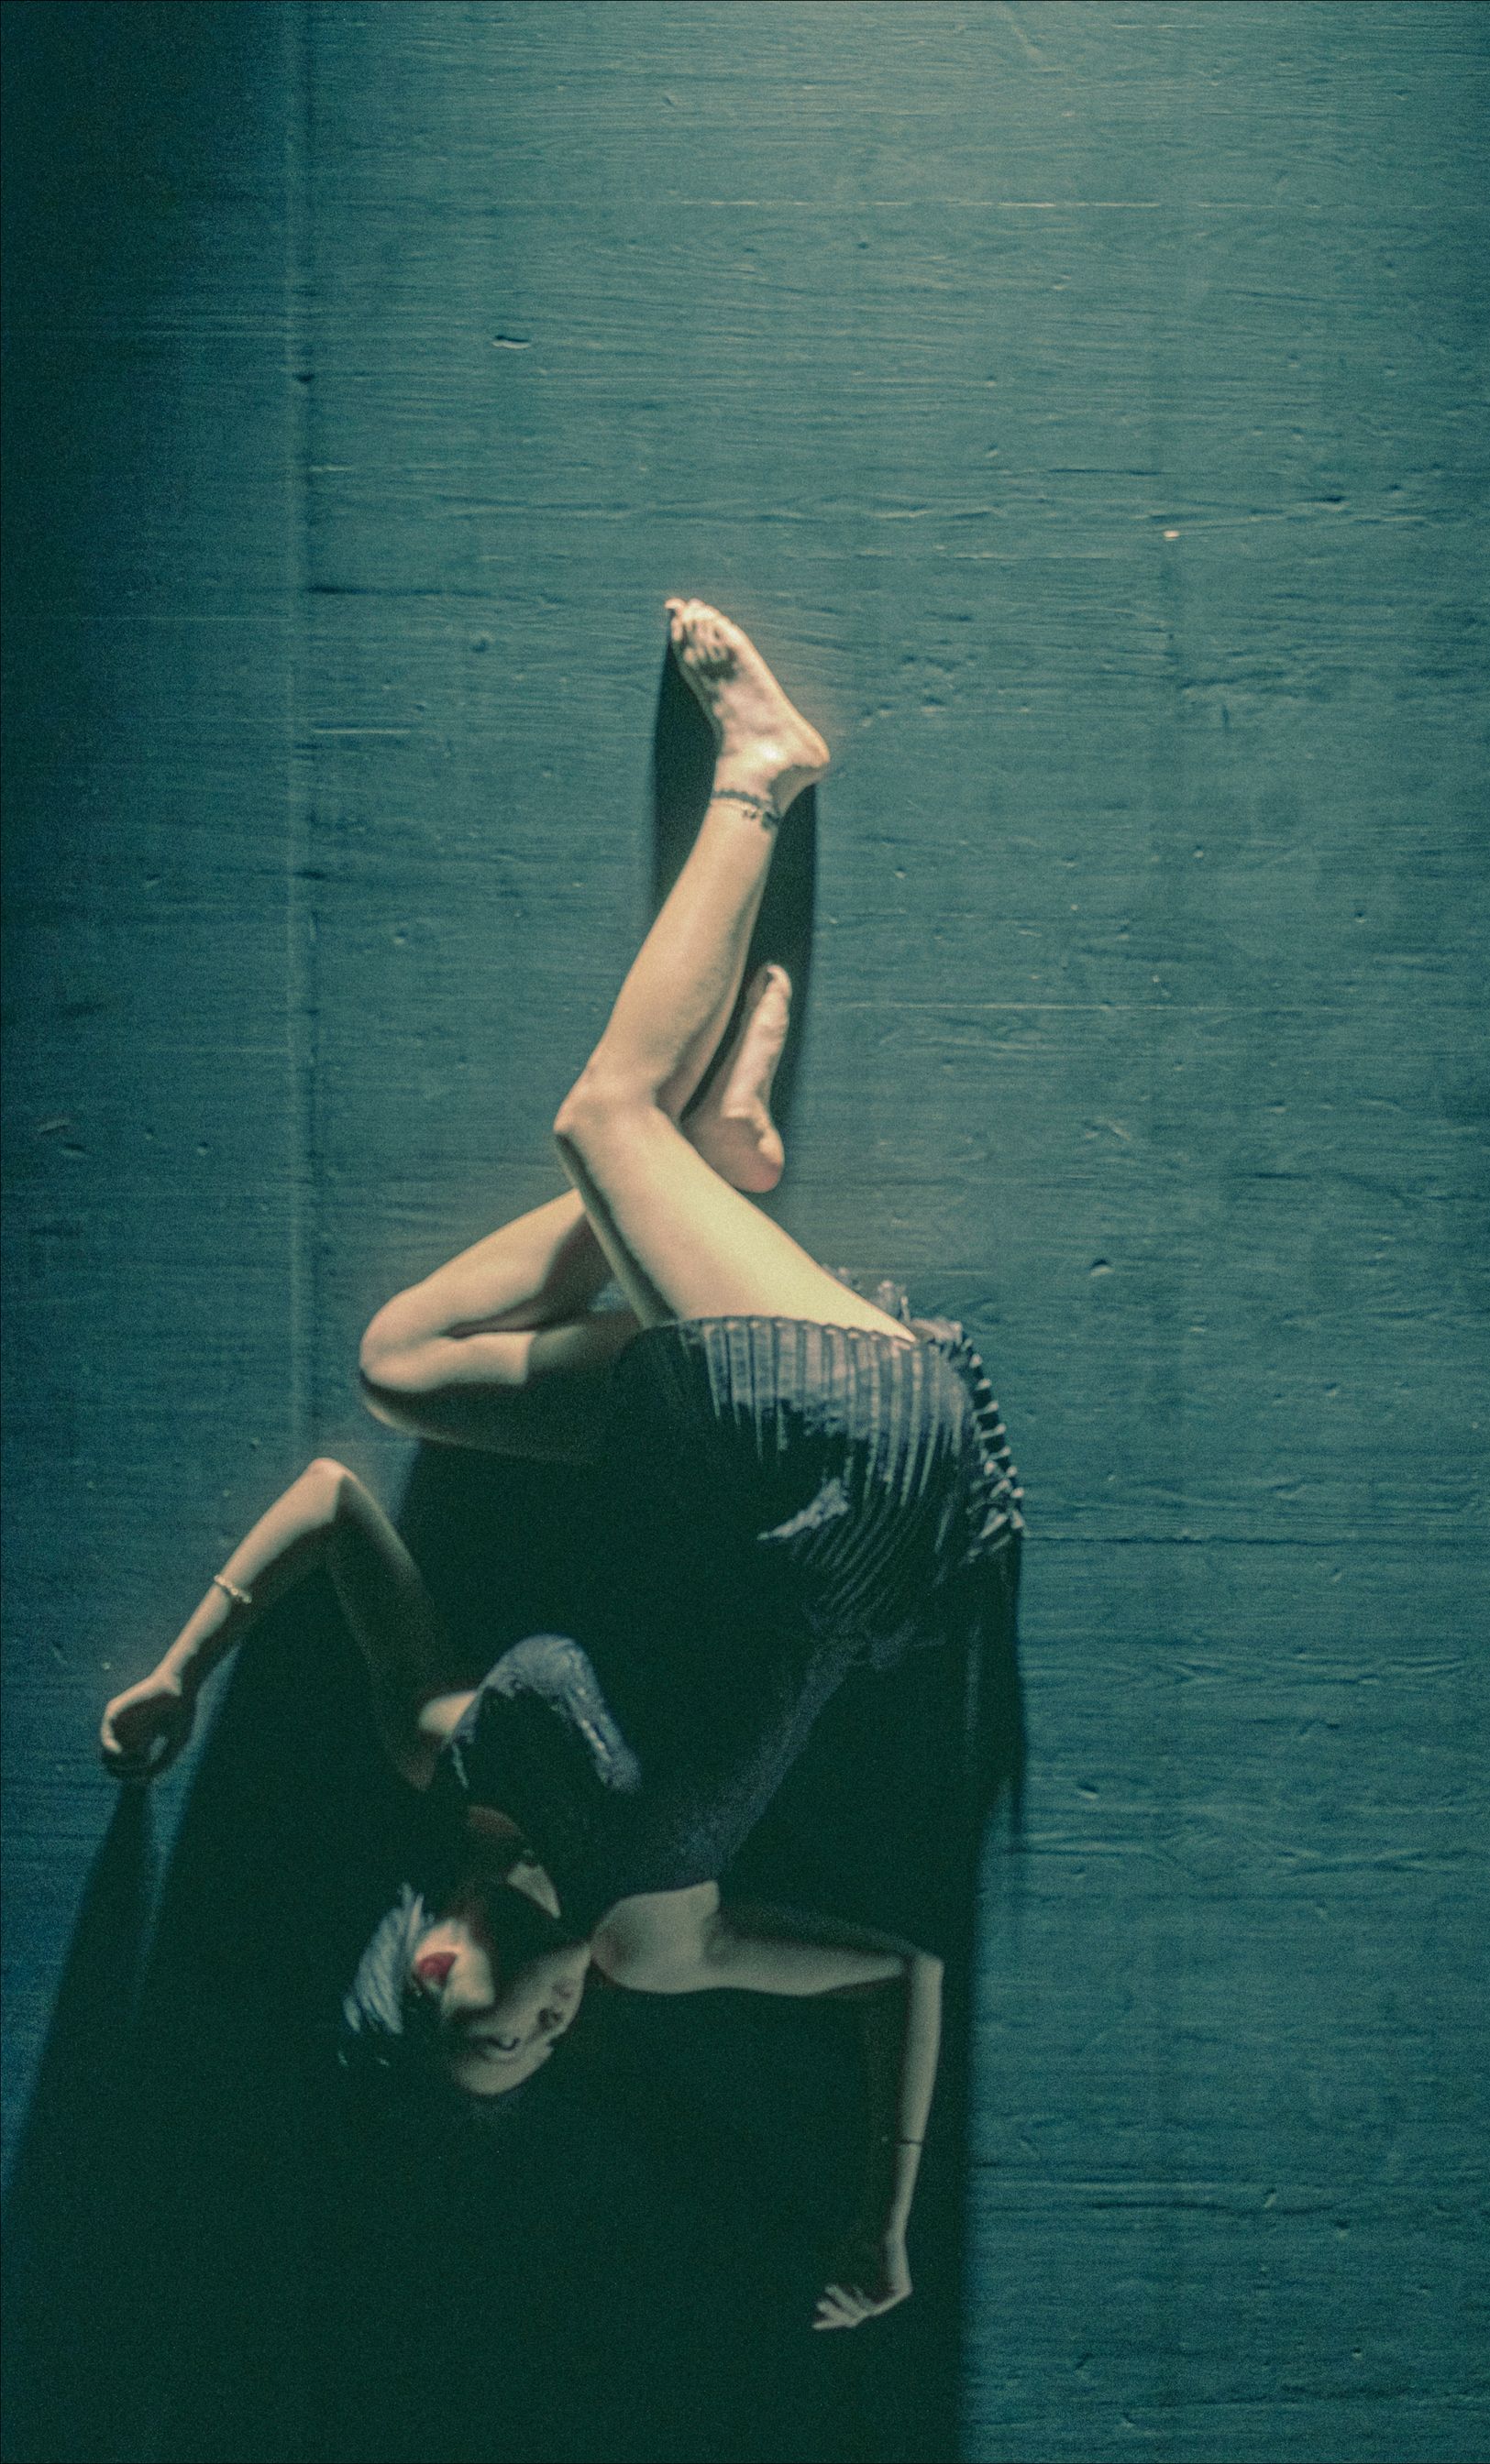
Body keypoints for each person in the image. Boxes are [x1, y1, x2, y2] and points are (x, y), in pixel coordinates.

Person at [98, 599, 1025, 2332]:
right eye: (534, 2051)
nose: (542, 2022)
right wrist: (882, 2221)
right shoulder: (654, 1948)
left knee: (400, 1362)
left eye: (491, 2027)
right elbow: (899, 1969)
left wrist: (176, 1671)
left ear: (437, 1960)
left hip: (695, 1447)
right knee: (593, 1122)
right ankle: (758, 785)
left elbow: (332, 1498)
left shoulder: (435, 1747)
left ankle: (702, 1180)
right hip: (853, 1470)